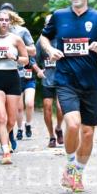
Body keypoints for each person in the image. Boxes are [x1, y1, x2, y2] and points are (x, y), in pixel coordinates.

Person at [39, 0, 97, 191]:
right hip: (66, 80)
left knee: (88, 132)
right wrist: (50, 49)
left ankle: (77, 173)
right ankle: (70, 165)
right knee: (73, 124)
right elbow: (44, 37)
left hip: (91, 83)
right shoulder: (59, 16)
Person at [0, 9, 29, 164]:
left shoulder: (16, 40)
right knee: (1, 117)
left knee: (11, 121)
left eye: (6, 20)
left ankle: (5, 138)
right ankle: (5, 152)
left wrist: (15, 57)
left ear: (10, 22)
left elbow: (26, 60)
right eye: (1, 20)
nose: (3, 22)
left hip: (13, 78)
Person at [0, 3, 35, 150]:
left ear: (12, 17)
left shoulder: (22, 31)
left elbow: (33, 51)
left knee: (15, 111)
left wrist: (15, 48)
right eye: (1, 18)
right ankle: (7, 139)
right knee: (2, 114)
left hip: (18, 72)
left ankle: (11, 132)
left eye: (7, 17)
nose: (4, 21)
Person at [36, 15, 64, 148]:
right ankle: (52, 136)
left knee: (60, 107)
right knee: (47, 107)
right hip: (47, 79)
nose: (50, 25)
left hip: (61, 78)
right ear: (44, 26)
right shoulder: (41, 41)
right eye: (47, 23)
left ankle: (59, 128)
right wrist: (38, 70)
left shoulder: (62, 39)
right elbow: (32, 59)